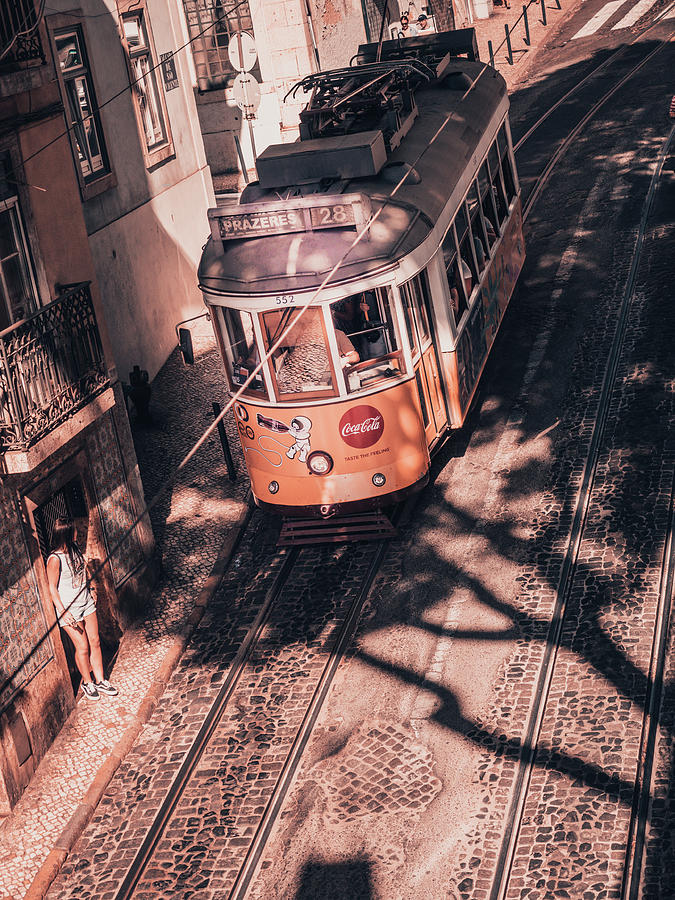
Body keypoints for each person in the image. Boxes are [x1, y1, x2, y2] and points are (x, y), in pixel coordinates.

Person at [47, 517, 118, 700]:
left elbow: (83, 572)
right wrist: (63, 611)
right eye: (74, 530)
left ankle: (101, 680)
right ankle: (87, 682)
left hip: (86, 602)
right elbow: (52, 588)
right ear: (66, 533)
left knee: (95, 641)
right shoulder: (55, 559)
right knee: (83, 647)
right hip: (70, 610)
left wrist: (91, 588)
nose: (78, 532)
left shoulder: (75, 548)